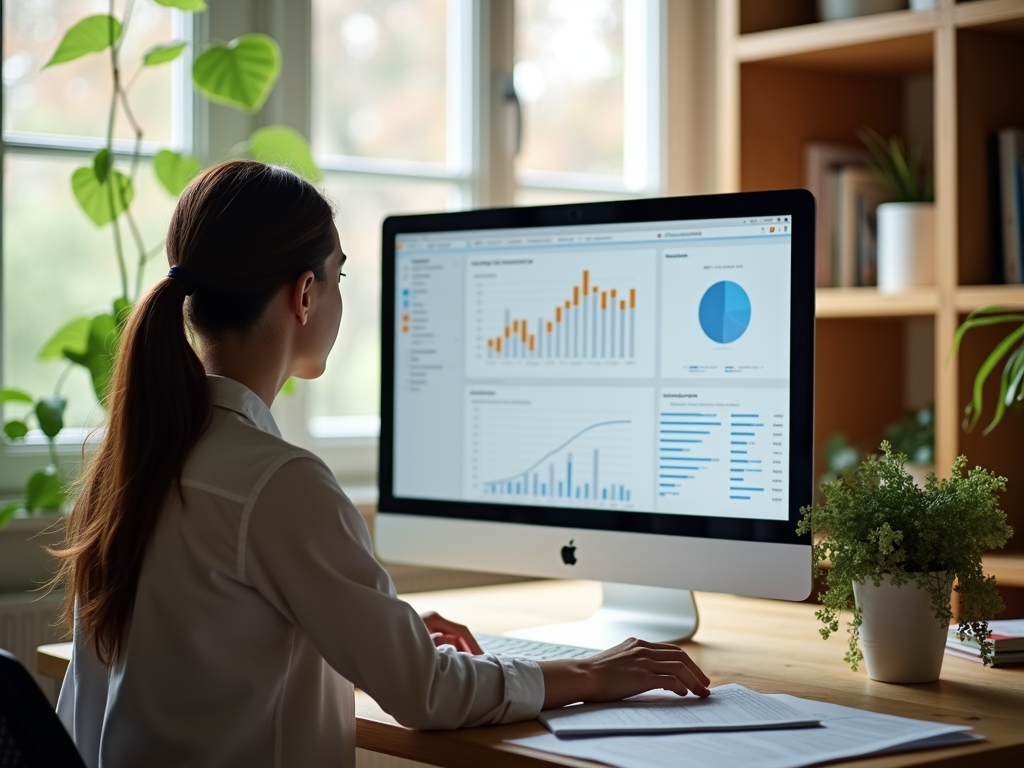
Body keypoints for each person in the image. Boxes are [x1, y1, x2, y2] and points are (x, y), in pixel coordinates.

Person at [52, 160, 710, 768]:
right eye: (340, 275)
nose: (340, 297)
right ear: (304, 294)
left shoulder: (131, 462)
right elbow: (428, 694)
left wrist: (366, 636)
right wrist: (596, 674)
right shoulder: (279, 484)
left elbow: (210, 656)